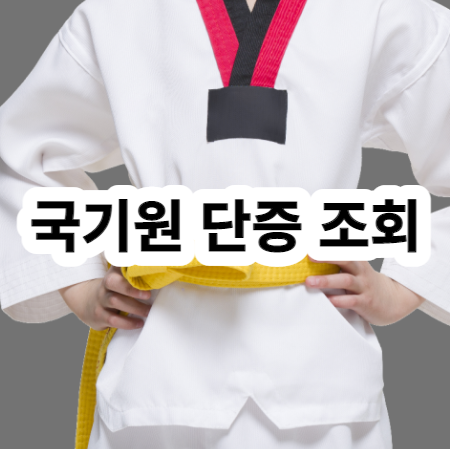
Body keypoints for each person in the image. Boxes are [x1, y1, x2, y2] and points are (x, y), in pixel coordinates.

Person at [1, 0, 450, 447]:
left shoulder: (381, 11)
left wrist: (406, 287)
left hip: (321, 369)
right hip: (159, 369)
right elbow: (17, 152)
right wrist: (80, 282)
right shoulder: (119, 13)